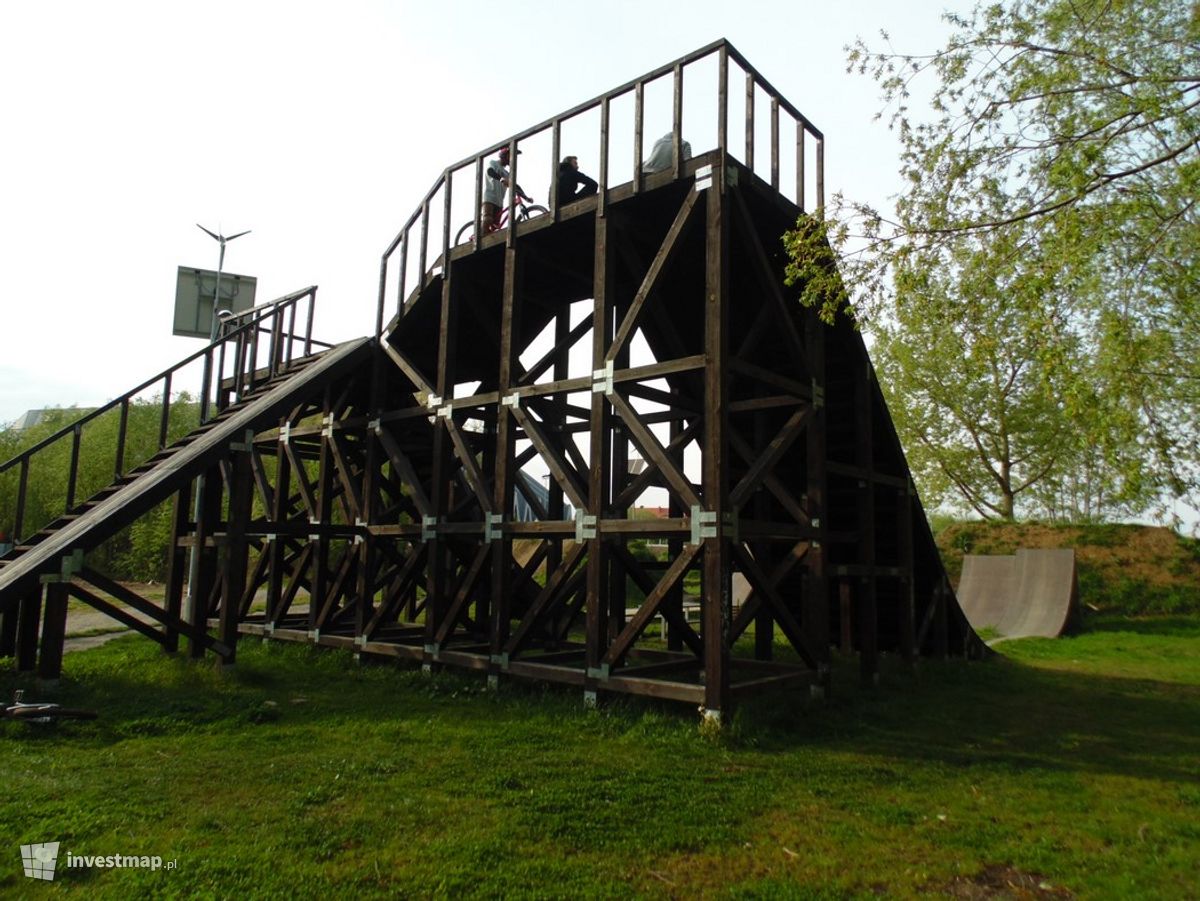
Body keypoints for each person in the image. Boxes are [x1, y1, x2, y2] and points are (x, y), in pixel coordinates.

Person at [482, 146, 532, 233]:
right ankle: (478, 238)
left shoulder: (507, 173)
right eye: (511, 156)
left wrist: (526, 197)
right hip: (489, 197)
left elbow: (516, 186)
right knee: (488, 219)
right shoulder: (493, 163)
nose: (512, 159)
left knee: (495, 227)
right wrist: (501, 179)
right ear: (504, 155)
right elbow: (490, 171)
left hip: (499, 202)